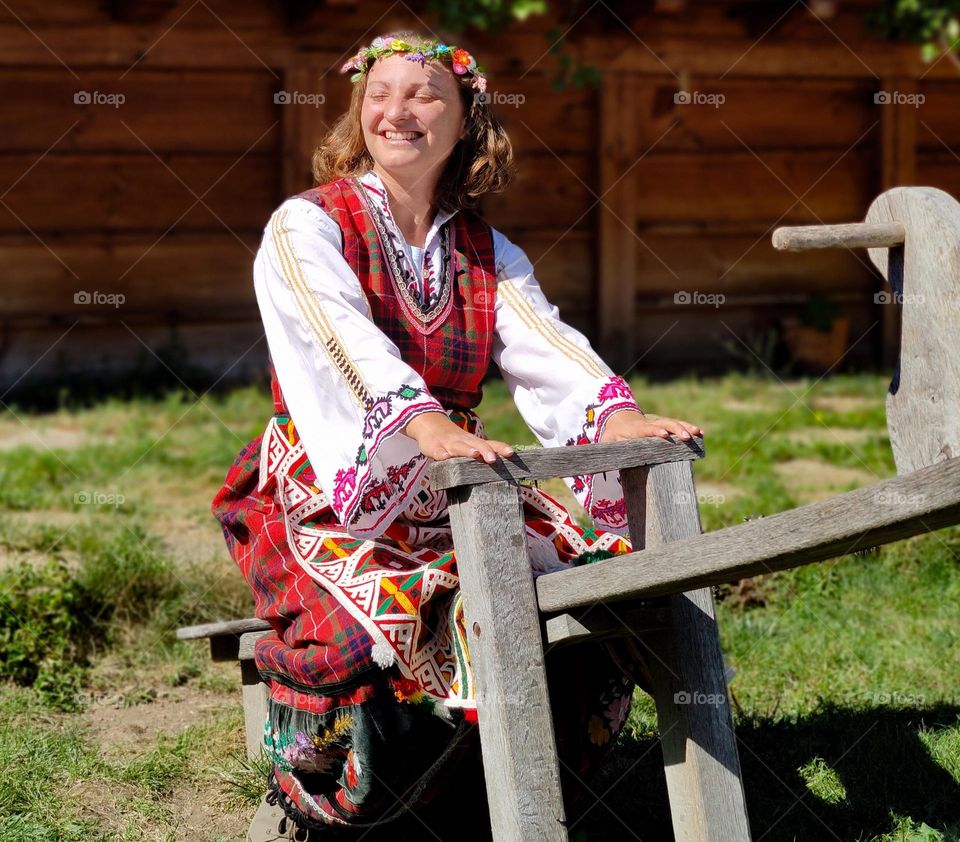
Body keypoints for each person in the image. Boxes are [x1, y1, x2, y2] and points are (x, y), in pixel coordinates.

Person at [212, 31, 703, 840]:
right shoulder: (307, 227)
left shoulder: (485, 250)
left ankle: (512, 805)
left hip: (462, 482)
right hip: (331, 491)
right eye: (380, 93)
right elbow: (336, 340)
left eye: (424, 94)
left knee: (596, 599)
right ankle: (337, 803)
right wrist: (420, 420)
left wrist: (620, 417)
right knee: (364, 642)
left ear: (467, 119)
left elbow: (548, 349)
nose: (396, 111)